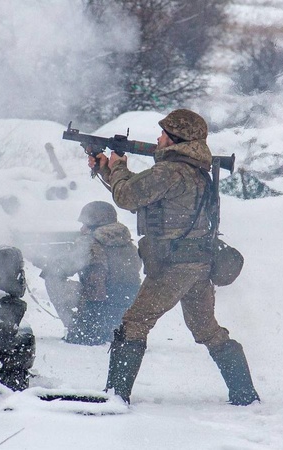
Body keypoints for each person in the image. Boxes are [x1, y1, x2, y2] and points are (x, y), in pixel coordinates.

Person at [87, 109, 260, 405]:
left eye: (163, 134)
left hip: (174, 267)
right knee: (207, 330)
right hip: (197, 264)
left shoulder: (169, 172)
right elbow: (137, 196)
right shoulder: (193, 172)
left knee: (134, 323)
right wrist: (108, 168)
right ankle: (245, 394)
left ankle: (116, 396)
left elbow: (127, 197)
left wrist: (116, 165)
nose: (158, 139)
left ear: (176, 139)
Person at [39, 201, 142, 345]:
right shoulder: (127, 243)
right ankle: (110, 330)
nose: (82, 229)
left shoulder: (90, 243)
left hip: (97, 312)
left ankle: (77, 329)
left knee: (52, 278)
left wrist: (43, 261)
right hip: (126, 314)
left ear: (95, 224)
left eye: (85, 224)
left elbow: (60, 268)